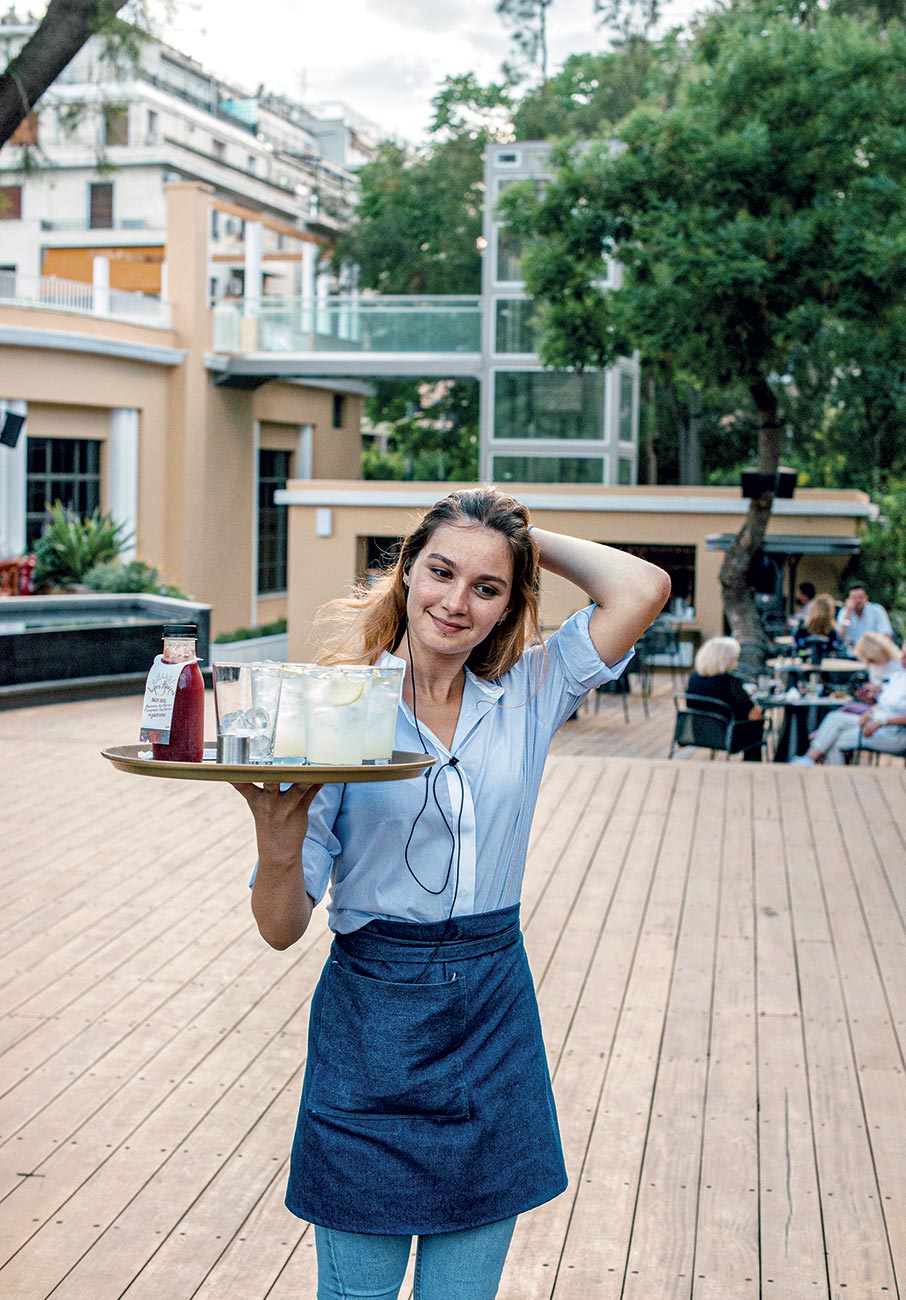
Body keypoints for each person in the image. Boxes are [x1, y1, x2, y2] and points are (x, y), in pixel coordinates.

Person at [233, 486, 670, 1300]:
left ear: (509, 606)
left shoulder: (531, 694)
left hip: (491, 1015)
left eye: (487, 587)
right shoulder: (338, 710)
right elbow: (281, 928)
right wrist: (277, 835)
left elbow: (642, 589)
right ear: (406, 572)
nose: (456, 601)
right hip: (373, 1023)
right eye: (441, 571)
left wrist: (518, 532)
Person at [791, 639, 906, 765]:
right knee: (834, 718)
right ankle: (810, 758)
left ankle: (819, 765)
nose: (902, 660)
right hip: (875, 719)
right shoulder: (898, 676)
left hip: (895, 733)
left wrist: (881, 722)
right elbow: (883, 704)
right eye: (903, 655)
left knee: (835, 740)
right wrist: (870, 710)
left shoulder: (893, 670)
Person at [685, 636, 765, 761]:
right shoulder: (730, 682)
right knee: (757, 723)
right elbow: (754, 715)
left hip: (698, 734)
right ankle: (753, 766)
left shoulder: (693, 678)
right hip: (729, 736)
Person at [835, 581, 893, 649]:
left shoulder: (877, 610)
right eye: (854, 598)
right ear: (848, 599)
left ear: (866, 598)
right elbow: (840, 636)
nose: (858, 601)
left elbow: (886, 633)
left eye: (860, 597)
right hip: (852, 651)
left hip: (874, 649)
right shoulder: (844, 612)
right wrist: (848, 614)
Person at [792, 592, 845, 661]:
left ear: (813, 609)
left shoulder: (801, 629)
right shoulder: (833, 632)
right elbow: (838, 650)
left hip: (804, 666)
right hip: (829, 666)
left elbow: (797, 650)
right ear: (831, 611)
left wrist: (806, 653)